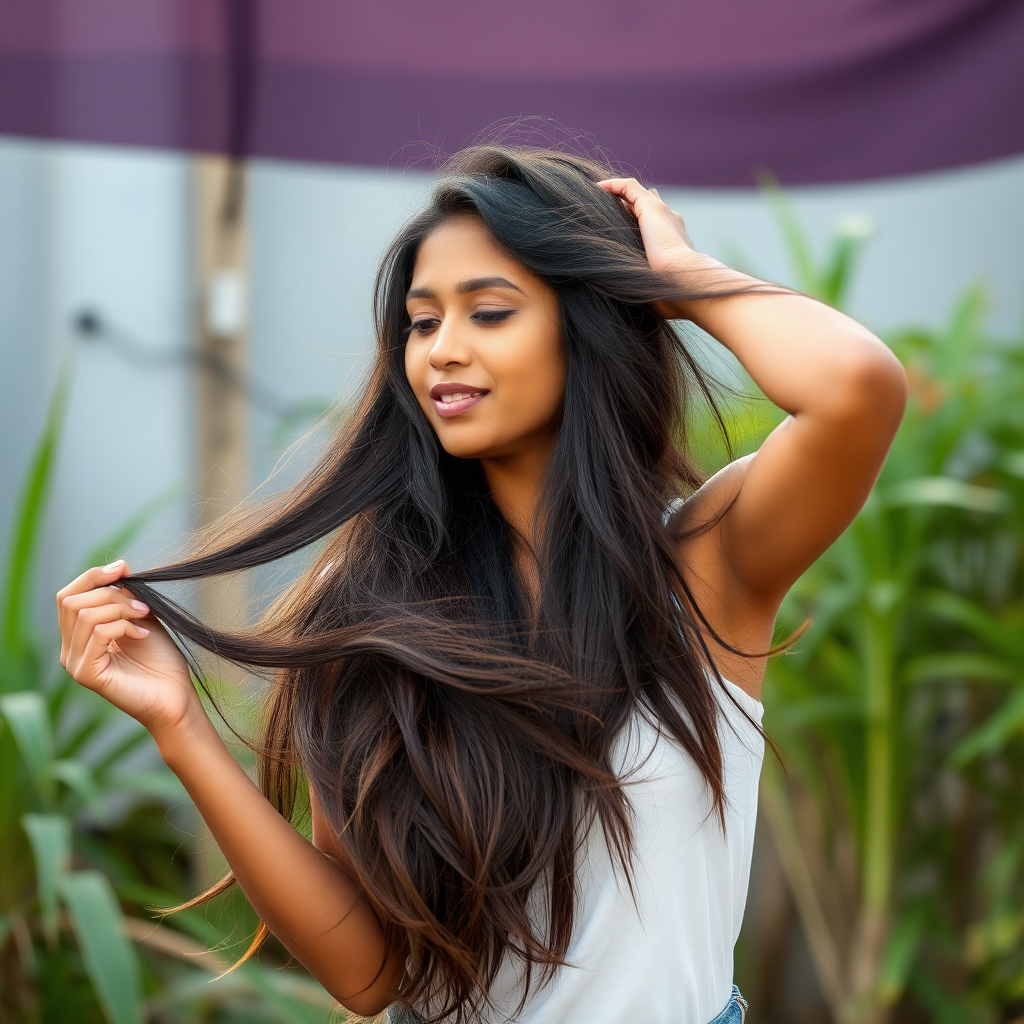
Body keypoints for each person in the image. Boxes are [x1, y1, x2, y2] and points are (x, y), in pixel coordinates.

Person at [55, 145, 907, 1023]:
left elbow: (856, 387)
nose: (442, 352)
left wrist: (680, 277)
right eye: (422, 324)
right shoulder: (367, 610)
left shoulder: (704, 566)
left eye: (489, 313)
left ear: (588, 325)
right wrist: (180, 726)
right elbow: (369, 975)